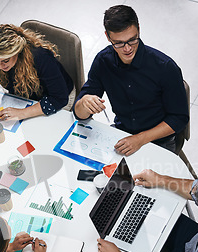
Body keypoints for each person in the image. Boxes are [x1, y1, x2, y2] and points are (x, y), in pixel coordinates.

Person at [73, 5, 189, 155]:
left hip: (158, 140)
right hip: (122, 134)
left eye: (132, 40)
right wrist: (83, 103)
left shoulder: (165, 67)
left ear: (138, 29)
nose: (127, 48)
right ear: (108, 37)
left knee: (139, 178)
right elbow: (80, 115)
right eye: (119, 43)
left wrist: (140, 139)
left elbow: (179, 118)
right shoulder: (103, 61)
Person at [0, 24, 74, 121]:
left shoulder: (41, 57)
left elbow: (59, 98)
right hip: (24, 98)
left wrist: (22, 113)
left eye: (5, 61)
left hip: (58, 97)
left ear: (17, 52)